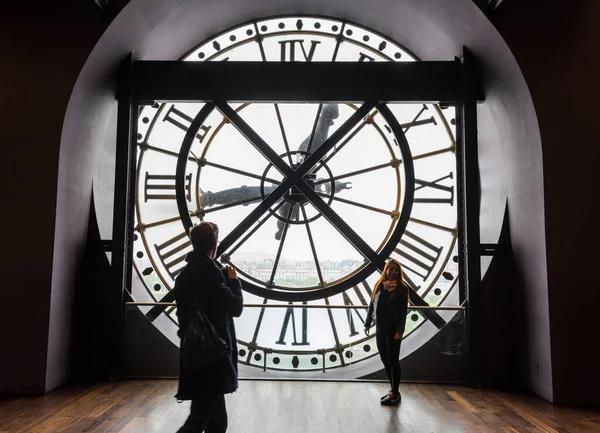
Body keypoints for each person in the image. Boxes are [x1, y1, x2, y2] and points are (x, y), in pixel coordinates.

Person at [174, 221, 243, 432]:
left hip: (197, 353)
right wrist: (233, 281)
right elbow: (235, 307)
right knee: (207, 419)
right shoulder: (213, 274)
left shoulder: (184, 276)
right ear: (214, 245)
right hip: (214, 357)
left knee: (206, 415)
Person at [364, 259, 409, 406]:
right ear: (387, 270)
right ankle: (394, 391)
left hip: (389, 329)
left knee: (391, 361)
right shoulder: (393, 288)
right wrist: (367, 322)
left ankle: (394, 392)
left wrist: (399, 331)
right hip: (383, 328)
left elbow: (403, 312)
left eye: (396, 270)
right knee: (387, 359)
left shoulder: (386, 287)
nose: (393, 272)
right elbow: (372, 305)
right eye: (391, 269)